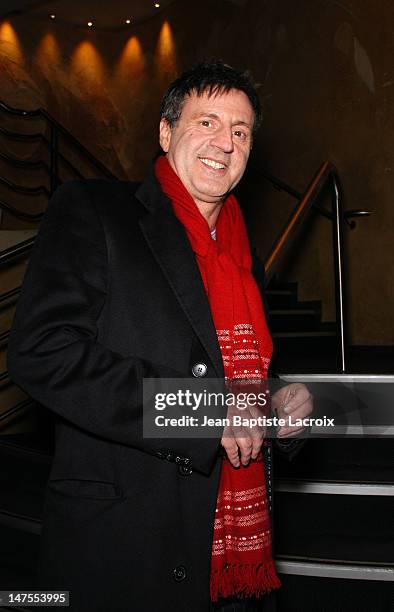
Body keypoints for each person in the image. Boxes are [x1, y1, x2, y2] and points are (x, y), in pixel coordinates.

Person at [7, 60, 313, 612]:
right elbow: (43, 353)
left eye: (240, 132)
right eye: (208, 122)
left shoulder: (246, 260)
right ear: (167, 132)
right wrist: (202, 411)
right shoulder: (96, 210)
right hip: (126, 545)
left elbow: (228, 370)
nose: (225, 142)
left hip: (232, 551)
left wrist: (280, 399)